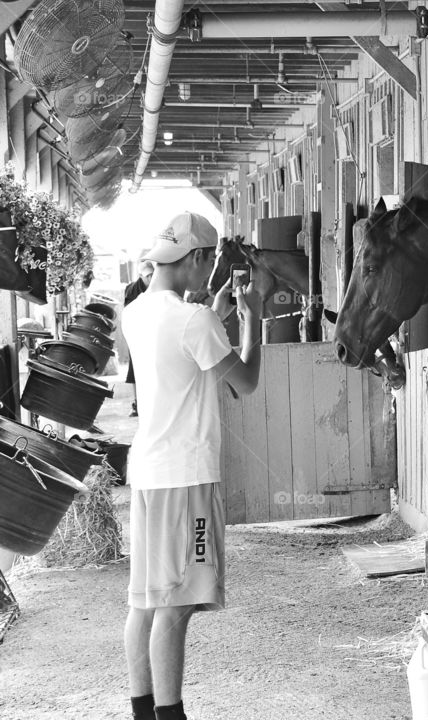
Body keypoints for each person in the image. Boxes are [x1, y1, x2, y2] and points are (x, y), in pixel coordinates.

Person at [121, 212, 262, 720]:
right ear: (198, 258)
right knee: (176, 606)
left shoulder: (135, 312)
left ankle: (144, 710)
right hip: (187, 476)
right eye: (211, 261)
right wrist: (254, 325)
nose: (212, 275)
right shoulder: (194, 320)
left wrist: (215, 317)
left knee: (144, 601)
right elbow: (244, 381)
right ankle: (170, 714)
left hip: (148, 471)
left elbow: (181, 353)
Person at [123, 259, 154, 417]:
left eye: (153, 275)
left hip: (154, 333)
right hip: (136, 334)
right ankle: (136, 403)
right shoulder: (131, 290)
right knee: (134, 369)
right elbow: (129, 314)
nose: (151, 278)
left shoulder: (157, 288)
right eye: (148, 275)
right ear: (141, 276)